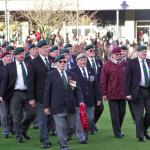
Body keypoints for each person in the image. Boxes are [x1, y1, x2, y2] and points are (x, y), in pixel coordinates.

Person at [44, 54, 83, 150]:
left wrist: (80, 101)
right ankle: (64, 146)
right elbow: (47, 92)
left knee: (71, 127)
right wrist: (46, 106)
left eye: (64, 62)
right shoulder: (51, 75)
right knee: (61, 127)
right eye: (60, 62)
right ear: (56, 63)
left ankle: (63, 138)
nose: (62, 63)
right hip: (57, 107)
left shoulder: (71, 75)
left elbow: (76, 90)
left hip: (70, 106)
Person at [0, 47, 35, 143]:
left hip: (28, 93)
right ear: (15, 56)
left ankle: (23, 129)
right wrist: (1, 94)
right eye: (19, 54)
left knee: (32, 114)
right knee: (16, 116)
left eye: (23, 53)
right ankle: (19, 135)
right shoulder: (10, 66)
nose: (21, 55)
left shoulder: (29, 64)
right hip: (15, 93)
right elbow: (5, 81)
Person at [71, 53, 101, 142]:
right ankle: (81, 137)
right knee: (79, 120)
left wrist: (98, 98)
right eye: (81, 60)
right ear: (77, 61)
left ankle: (85, 134)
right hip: (78, 100)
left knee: (90, 119)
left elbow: (95, 85)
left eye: (84, 60)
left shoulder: (91, 70)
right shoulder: (73, 71)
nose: (83, 62)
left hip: (90, 99)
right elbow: (72, 87)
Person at [28, 40, 52, 149]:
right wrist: (31, 98)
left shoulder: (52, 61)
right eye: (44, 48)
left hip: (52, 95)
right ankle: (44, 141)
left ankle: (46, 136)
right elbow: (30, 82)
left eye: (47, 47)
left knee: (50, 119)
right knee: (42, 119)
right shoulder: (33, 63)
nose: (47, 49)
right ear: (39, 49)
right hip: (40, 96)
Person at [100, 47, 126, 138]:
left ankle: (119, 129)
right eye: (117, 54)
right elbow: (103, 80)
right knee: (115, 114)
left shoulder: (125, 64)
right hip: (112, 94)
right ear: (112, 55)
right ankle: (117, 132)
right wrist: (103, 93)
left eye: (120, 54)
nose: (118, 56)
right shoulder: (107, 65)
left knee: (122, 113)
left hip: (123, 94)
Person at [125, 45, 150, 142]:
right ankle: (140, 135)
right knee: (139, 115)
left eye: (145, 51)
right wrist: (127, 93)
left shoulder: (148, 61)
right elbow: (127, 79)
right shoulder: (131, 63)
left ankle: (144, 130)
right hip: (137, 92)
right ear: (137, 53)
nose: (144, 53)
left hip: (148, 91)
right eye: (142, 51)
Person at [85, 44, 104, 133]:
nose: (93, 52)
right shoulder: (84, 62)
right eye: (90, 51)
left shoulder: (99, 61)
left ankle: (92, 124)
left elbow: (103, 75)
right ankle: (90, 127)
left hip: (98, 89)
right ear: (86, 52)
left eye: (94, 51)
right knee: (90, 109)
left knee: (100, 108)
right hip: (88, 89)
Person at [0, 52, 13, 138]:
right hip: (2, 94)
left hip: (11, 93)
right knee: (4, 113)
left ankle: (11, 128)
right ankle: (5, 131)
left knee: (11, 113)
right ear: (3, 58)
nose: (9, 58)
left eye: (10, 57)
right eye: (7, 57)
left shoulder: (12, 67)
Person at [121, 45, 135, 122]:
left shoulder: (131, 61)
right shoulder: (117, 61)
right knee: (121, 106)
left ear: (127, 52)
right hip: (120, 86)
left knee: (132, 103)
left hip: (129, 86)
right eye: (121, 51)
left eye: (124, 51)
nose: (123, 53)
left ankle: (135, 118)